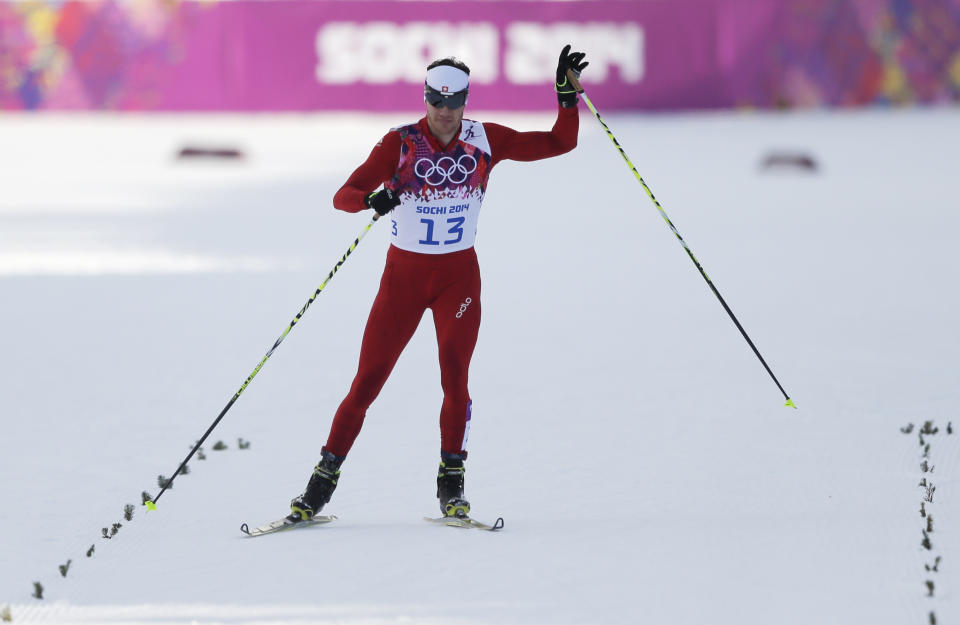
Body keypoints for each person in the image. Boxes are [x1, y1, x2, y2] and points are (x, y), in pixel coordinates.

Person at [290, 45, 589, 521]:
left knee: (455, 378)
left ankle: (452, 485)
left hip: (458, 280)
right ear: (425, 98)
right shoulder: (400, 143)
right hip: (403, 282)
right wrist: (374, 198)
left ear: (465, 101)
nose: (444, 112)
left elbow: (559, 143)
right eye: (436, 101)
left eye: (453, 103)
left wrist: (567, 99)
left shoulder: (486, 138)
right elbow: (341, 197)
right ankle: (319, 487)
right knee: (367, 381)